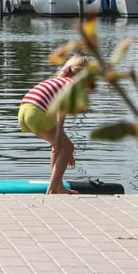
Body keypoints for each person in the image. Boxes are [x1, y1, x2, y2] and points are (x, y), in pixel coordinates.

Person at [18, 55, 88, 194]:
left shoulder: (57, 81)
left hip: (24, 112)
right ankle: (51, 191)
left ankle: (59, 187)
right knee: (65, 147)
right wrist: (60, 141)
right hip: (36, 113)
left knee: (60, 147)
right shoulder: (71, 84)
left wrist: (61, 144)